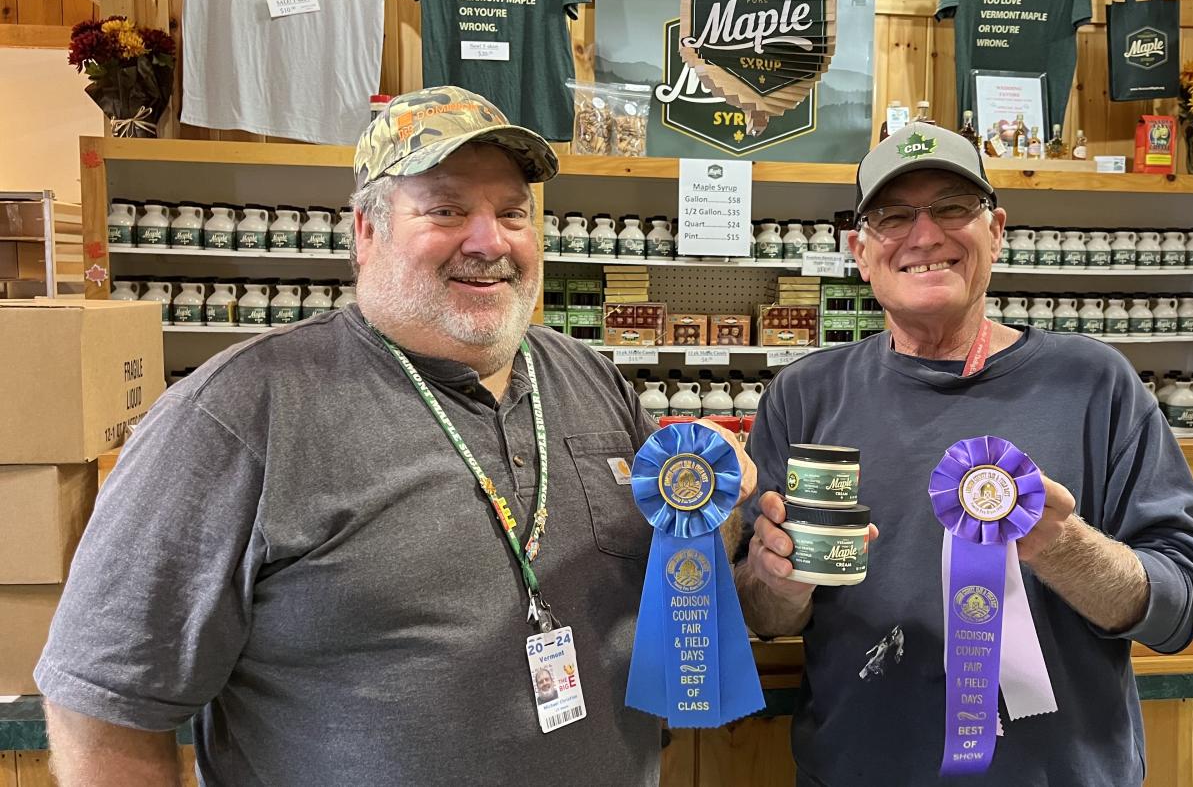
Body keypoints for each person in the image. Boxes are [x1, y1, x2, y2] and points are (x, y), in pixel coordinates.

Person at [36, 86, 751, 787]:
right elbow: (103, 704)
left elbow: (675, 582)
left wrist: (721, 515)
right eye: (446, 209)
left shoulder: (592, 380)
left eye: (512, 213)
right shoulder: (235, 414)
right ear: (366, 232)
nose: (488, 240)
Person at [734, 122, 1193, 786]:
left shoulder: (1096, 384)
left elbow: (1179, 610)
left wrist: (1064, 546)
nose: (925, 235)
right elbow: (760, 616)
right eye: (893, 216)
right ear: (860, 251)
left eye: (954, 207)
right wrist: (775, 584)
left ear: (996, 231)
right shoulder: (804, 395)